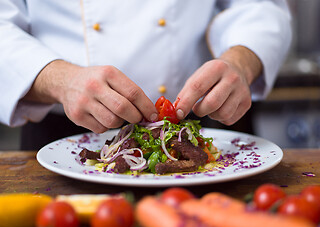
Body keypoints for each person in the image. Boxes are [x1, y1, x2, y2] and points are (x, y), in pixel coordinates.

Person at [0, 0, 292, 150]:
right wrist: (60, 80)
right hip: (65, 135)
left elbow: (259, 5)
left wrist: (241, 62)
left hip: (203, 125)